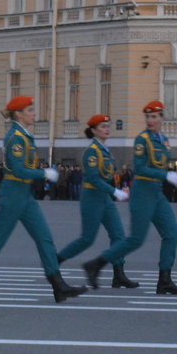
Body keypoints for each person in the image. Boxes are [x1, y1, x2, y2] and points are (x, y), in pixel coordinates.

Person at [0, 96, 86, 303]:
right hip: (13, 194)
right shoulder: (16, 138)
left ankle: (58, 285)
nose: (33, 113)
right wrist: (43, 174)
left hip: (23, 194)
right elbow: (18, 169)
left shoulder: (24, 136)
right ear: (18, 114)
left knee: (44, 237)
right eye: (29, 110)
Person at [82, 100, 177, 295]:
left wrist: (172, 174)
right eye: (147, 116)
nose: (150, 120)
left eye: (154, 116)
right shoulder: (142, 140)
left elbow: (160, 165)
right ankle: (96, 264)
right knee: (136, 239)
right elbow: (139, 168)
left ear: (162, 118)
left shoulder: (163, 140)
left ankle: (164, 279)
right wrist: (165, 175)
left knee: (171, 233)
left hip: (156, 193)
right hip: (142, 193)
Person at [55, 114, 138, 289]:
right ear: (93, 131)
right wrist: (114, 191)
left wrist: (118, 189)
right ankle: (54, 262)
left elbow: (107, 176)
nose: (107, 129)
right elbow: (93, 179)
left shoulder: (105, 151)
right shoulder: (92, 152)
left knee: (118, 236)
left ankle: (119, 274)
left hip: (105, 198)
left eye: (108, 126)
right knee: (87, 239)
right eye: (102, 127)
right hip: (92, 198)